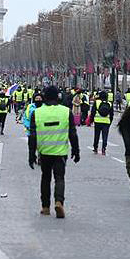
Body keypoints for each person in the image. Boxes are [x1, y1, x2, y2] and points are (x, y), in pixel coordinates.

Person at [28, 86, 79, 218]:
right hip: (60, 152)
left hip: (44, 152)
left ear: (44, 97)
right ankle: (59, 202)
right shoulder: (66, 111)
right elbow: (72, 133)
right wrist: (76, 150)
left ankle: (45, 207)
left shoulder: (37, 113)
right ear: (58, 97)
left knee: (45, 178)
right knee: (59, 178)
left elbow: (32, 136)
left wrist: (31, 154)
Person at [92, 91, 113, 155]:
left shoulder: (97, 102)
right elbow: (111, 114)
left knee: (97, 135)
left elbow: (93, 112)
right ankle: (104, 148)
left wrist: (91, 120)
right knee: (105, 136)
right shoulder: (109, 103)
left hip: (97, 121)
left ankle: (95, 148)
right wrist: (110, 122)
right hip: (106, 122)